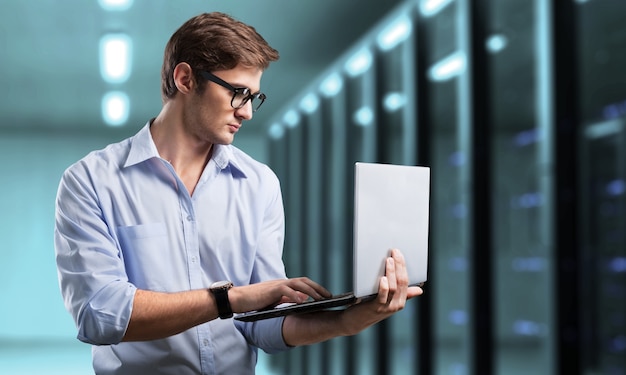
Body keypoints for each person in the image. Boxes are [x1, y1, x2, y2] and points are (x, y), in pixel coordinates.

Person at [54, 11, 423, 374]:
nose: (246, 112)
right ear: (184, 79)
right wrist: (227, 299)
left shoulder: (259, 183)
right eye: (237, 93)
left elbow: (261, 323)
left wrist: (348, 321)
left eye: (253, 97)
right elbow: (99, 315)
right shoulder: (91, 181)